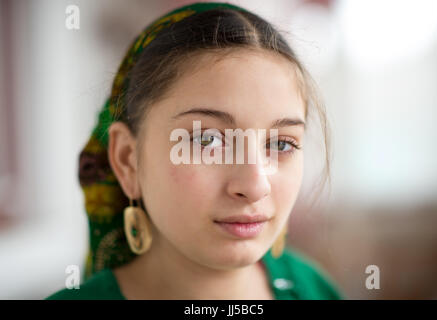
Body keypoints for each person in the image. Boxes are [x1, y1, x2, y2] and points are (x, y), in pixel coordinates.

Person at [46, 1, 343, 300]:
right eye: (207, 141)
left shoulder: (317, 290)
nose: (255, 186)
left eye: (281, 144)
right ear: (128, 161)